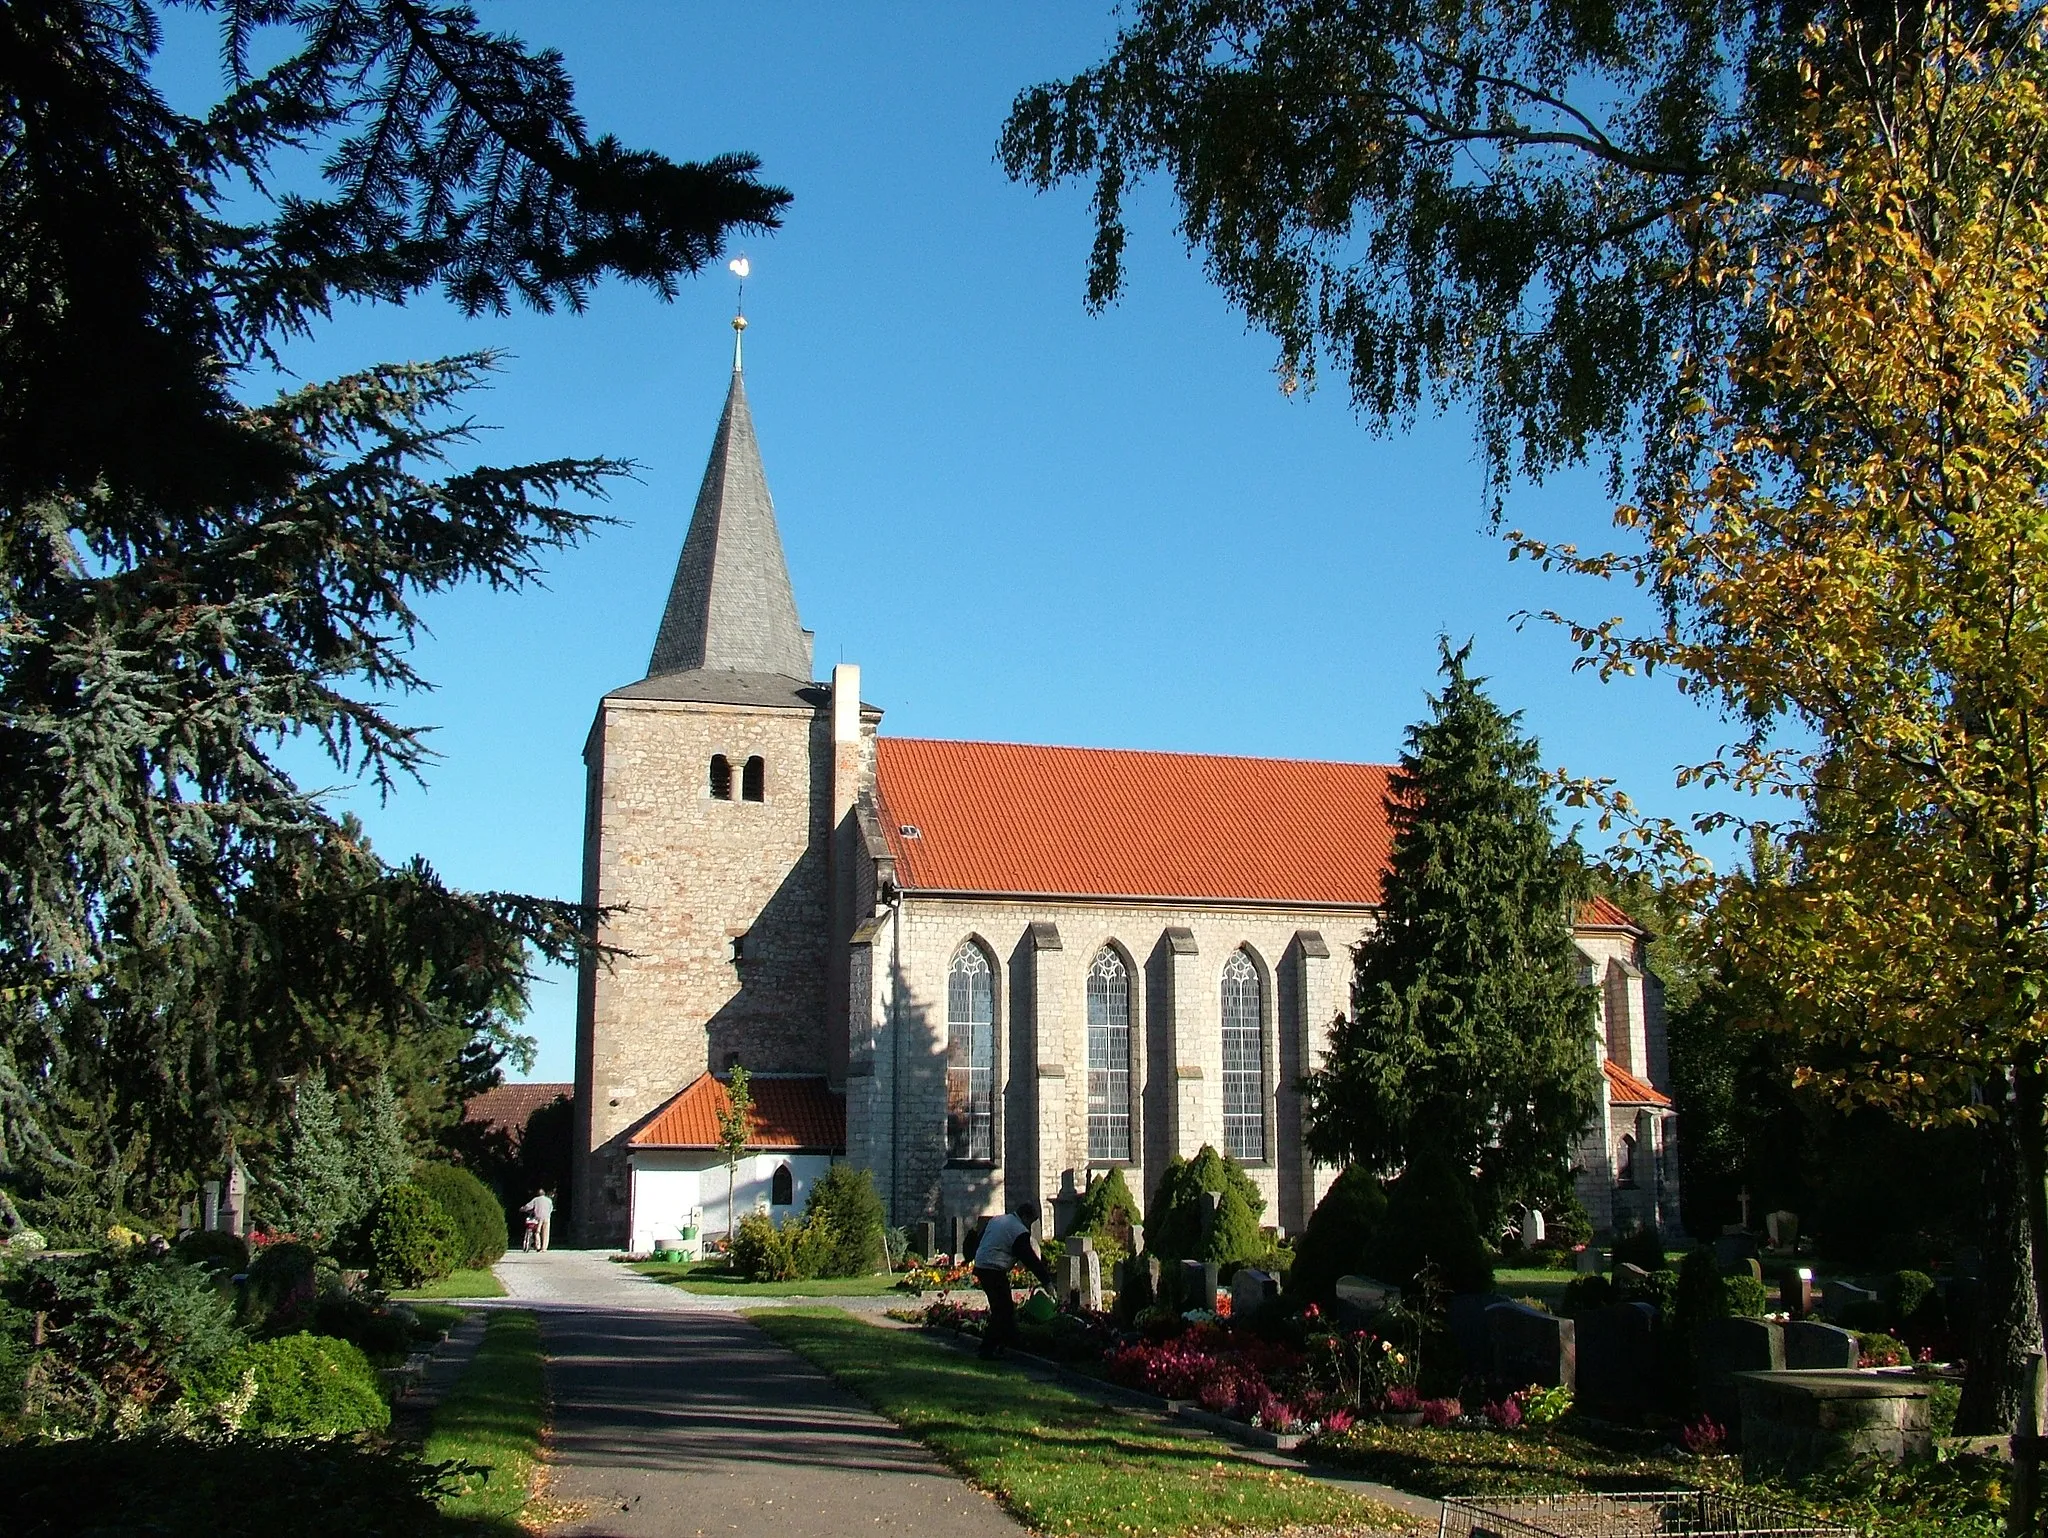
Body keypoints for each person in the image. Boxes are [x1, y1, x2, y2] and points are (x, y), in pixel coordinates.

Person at [971, 1200, 1054, 1359]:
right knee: (1002, 1310)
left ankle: (1012, 1343)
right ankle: (986, 1349)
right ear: (1024, 1216)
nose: (1030, 1226)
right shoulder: (1018, 1230)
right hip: (993, 1269)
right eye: (1030, 1221)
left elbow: (980, 1239)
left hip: (982, 1264)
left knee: (1005, 1307)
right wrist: (1047, 1283)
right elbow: (1030, 1259)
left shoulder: (998, 1220)